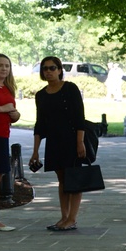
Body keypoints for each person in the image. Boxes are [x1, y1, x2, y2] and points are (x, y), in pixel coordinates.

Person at [28, 56, 88, 232]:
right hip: (54, 141)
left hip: (72, 139)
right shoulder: (41, 95)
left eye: (52, 68)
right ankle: (64, 217)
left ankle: (72, 218)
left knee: (74, 179)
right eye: (45, 68)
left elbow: (79, 117)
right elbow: (40, 124)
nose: (49, 71)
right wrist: (35, 151)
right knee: (62, 180)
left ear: (60, 70)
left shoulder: (70, 88)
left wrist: (80, 142)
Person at [0, 54, 21, 231]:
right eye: (0, 65)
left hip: (3, 136)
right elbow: (3, 108)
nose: (4, 69)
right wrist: (3, 109)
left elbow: (12, 114)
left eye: (7, 66)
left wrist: (15, 115)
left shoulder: (8, 88)